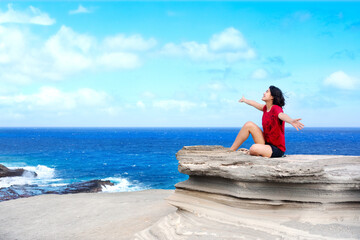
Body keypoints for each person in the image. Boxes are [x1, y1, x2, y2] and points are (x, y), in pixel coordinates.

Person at [230, 86, 304, 158]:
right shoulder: (265, 108)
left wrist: (291, 120)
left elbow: (281, 115)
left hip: (276, 149)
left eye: (267, 91)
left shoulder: (276, 108)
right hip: (266, 143)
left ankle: (255, 151)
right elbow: (255, 104)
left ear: (272, 97)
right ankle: (231, 150)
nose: (264, 93)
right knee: (249, 124)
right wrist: (245, 100)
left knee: (254, 148)